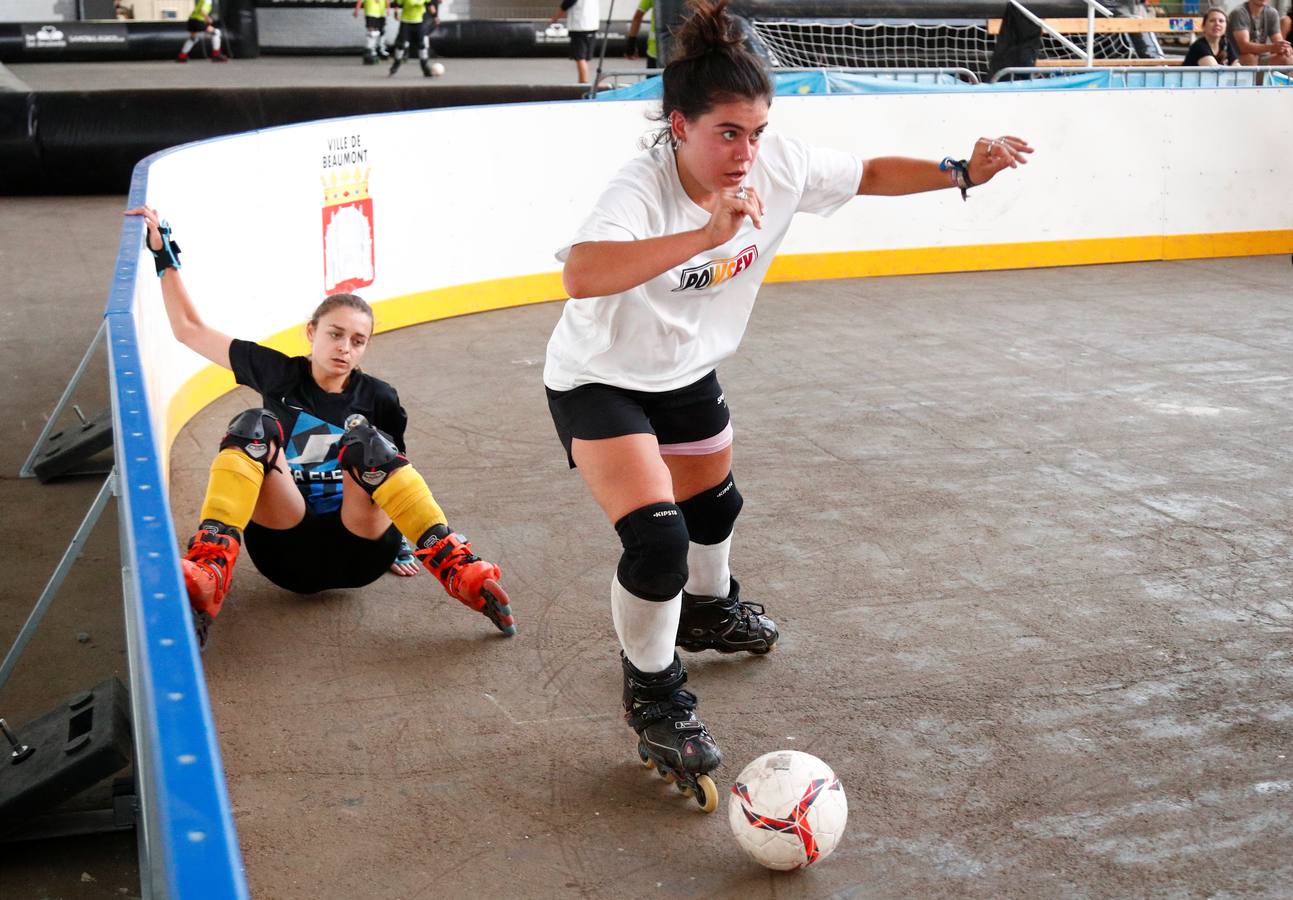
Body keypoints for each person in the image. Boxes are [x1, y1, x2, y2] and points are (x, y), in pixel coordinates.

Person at [544, 0, 1031, 810]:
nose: (745, 151)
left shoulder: (776, 166)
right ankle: (654, 689)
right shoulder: (641, 187)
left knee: (715, 508)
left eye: (757, 131)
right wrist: (705, 234)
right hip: (601, 377)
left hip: (687, 368)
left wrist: (961, 172)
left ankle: (707, 611)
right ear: (678, 127)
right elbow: (582, 273)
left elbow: (868, 173)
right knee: (658, 541)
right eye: (726, 133)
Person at [123, 207, 514, 649]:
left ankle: (455, 566)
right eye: (334, 334)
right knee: (254, 425)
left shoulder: (379, 397)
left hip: (361, 548)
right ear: (311, 332)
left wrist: (404, 542)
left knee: (369, 443)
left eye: (357, 341)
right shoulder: (278, 374)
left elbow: (398, 477)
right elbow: (189, 329)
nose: (344, 348)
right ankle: (211, 564)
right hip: (286, 548)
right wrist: (164, 254)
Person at [545, 0, 602, 85]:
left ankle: (583, 83)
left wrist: (555, 18)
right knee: (585, 58)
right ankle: (584, 80)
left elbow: (566, 4)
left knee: (580, 57)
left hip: (579, 27)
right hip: (592, 25)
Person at [1228, 0, 1293, 67]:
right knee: (1250, 58)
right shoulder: (1239, 13)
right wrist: (1272, 47)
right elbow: (1244, 47)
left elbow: (1279, 43)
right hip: (1236, 59)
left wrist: (1285, 49)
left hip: (1260, 58)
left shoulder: (1272, 13)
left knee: (1287, 59)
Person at [389, 0, 443, 78]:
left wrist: (435, 16)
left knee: (421, 45)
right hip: (406, 22)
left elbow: (430, 5)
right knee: (401, 45)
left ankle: (425, 67)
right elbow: (397, 4)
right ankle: (396, 64)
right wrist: (396, 14)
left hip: (418, 23)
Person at [353, 0, 392, 66]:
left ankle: (379, 50)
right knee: (372, 33)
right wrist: (357, 10)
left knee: (380, 32)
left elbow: (387, 1)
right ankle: (369, 51)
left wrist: (388, 9)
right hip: (371, 11)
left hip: (381, 12)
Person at [625, 0, 657, 69]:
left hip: (655, 51)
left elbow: (637, 17)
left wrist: (631, 44)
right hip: (681, 52)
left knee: (653, 79)